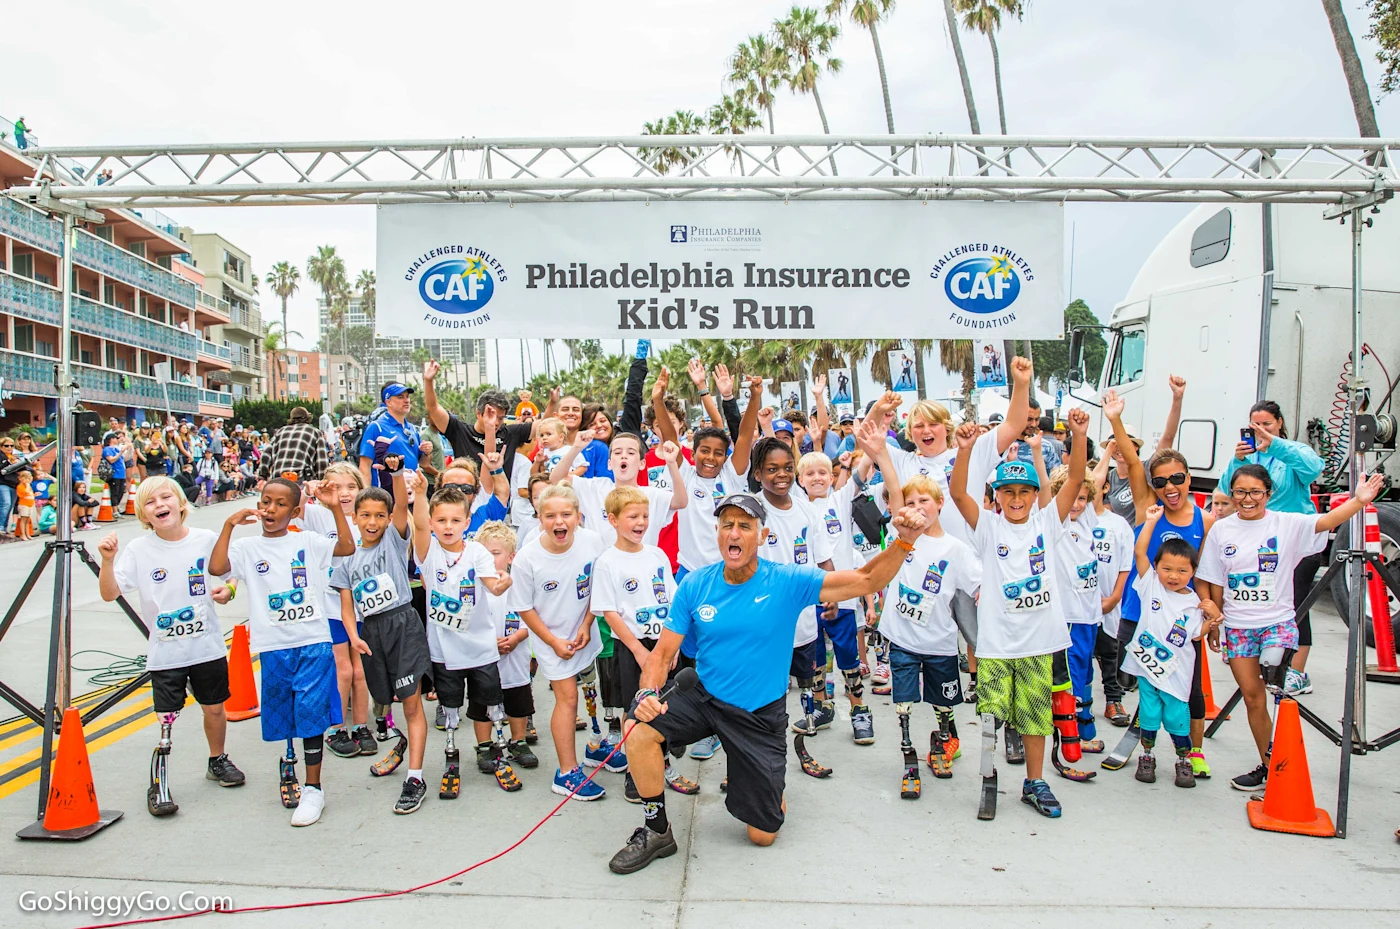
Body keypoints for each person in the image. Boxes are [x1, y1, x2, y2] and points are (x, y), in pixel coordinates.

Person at [607, 487, 929, 874]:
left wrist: (904, 541)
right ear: (718, 533)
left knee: (762, 834)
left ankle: (768, 786)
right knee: (638, 727)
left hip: (759, 713)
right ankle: (656, 829)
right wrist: (646, 692)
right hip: (705, 698)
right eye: (727, 525)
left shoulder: (787, 581)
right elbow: (660, 655)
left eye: (745, 525)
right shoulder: (696, 585)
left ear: (762, 536)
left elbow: (865, 579)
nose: (734, 533)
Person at [949, 356, 1092, 820]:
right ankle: (989, 777)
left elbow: (1073, 478)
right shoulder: (987, 528)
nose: (1015, 500)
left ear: (1034, 496)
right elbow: (957, 495)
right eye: (1007, 493)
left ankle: (1035, 783)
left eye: (1023, 493)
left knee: (1035, 718)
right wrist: (967, 450)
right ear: (998, 497)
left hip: (1038, 643)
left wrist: (1078, 434)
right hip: (995, 644)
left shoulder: (1048, 523)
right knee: (990, 716)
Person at [1197, 465, 1382, 792]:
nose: (1247, 499)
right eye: (1240, 492)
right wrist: (1214, 621)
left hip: (1276, 624)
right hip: (1238, 628)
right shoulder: (1222, 531)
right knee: (1253, 699)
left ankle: (1288, 762)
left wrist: (1359, 500)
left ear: (1268, 494)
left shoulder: (1286, 523)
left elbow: (1325, 522)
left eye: (1255, 492)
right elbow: (1209, 580)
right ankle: (1269, 766)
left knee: (1274, 682)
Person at [209, 478, 356, 827]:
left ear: (294, 511)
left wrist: (335, 506)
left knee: (310, 711)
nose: (270, 509)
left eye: (279, 504)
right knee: (283, 713)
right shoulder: (247, 548)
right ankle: (289, 760)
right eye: (265, 501)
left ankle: (314, 787)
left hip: (313, 640)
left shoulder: (306, 541)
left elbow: (347, 547)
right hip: (273, 646)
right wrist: (229, 525)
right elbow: (217, 568)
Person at [97, 477, 246, 817]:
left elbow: (231, 573)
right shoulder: (139, 549)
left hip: (206, 647)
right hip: (166, 652)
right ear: (144, 515)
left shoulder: (206, 540)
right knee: (167, 716)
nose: (159, 504)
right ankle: (160, 777)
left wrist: (230, 590)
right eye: (150, 502)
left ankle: (217, 759)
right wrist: (108, 560)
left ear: (181, 504)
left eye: (166, 497)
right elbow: (110, 592)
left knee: (214, 708)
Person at [330, 464, 434, 813]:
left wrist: (395, 473)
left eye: (379, 515)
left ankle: (415, 777)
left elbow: (402, 506)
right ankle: (400, 742)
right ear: (355, 517)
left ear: (388, 518)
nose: (372, 522)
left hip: (403, 624)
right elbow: (347, 606)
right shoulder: (345, 559)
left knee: (411, 703)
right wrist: (353, 637)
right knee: (384, 701)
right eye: (365, 515)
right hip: (372, 632)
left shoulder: (393, 537)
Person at [591, 485, 699, 800]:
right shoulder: (608, 561)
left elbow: (674, 601)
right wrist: (638, 650)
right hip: (632, 647)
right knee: (635, 707)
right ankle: (634, 771)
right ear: (612, 520)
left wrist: (673, 645)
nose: (640, 522)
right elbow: (609, 612)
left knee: (666, 705)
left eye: (645, 516)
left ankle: (663, 762)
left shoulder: (657, 555)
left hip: (663, 643)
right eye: (632, 516)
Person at [878, 472, 980, 796]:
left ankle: (941, 745)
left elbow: (980, 586)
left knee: (944, 705)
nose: (918, 507)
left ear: (940, 503)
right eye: (911, 502)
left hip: (941, 643)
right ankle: (909, 760)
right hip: (903, 640)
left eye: (925, 501)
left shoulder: (956, 549)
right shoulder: (900, 540)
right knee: (904, 706)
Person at [507, 484, 609, 800]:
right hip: (551, 638)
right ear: (539, 518)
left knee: (591, 688)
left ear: (578, 516)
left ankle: (595, 745)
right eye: (550, 515)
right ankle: (566, 773)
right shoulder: (527, 558)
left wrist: (588, 623)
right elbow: (523, 607)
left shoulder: (593, 541)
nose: (559, 521)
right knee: (567, 699)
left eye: (566, 514)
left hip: (585, 631)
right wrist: (551, 641)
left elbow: (599, 585)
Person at [1219, 400, 1326, 696]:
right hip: (1258, 545)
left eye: (1267, 424)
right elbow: (1228, 489)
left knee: (1295, 606)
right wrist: (1238, 460)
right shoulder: (1250, 457)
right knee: (1262, 601)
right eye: (1255, 425)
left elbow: (1315, 468)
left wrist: (1274, 445)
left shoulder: (1291, 452)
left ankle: (1297, 671)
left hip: (1296, 543)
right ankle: (1259, 657)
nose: (1261, 430)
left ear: (1279, 423)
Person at [1127, 505, 1219, 788]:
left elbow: (1195, 634)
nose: (1173, 575)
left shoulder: (1193, 602)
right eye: (1166, 568)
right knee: (1150, 714)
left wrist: (1212, 620)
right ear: (1157, 568)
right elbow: (1140, 552)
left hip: (1176, 673)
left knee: (1178, 717)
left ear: (1193, 572)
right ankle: (1147, 755)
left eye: (1182, 570)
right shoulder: (1150, 584)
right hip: (1147, 667)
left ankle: (1183, 759)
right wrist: (1151, 522)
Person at [303, 463, 375, 761]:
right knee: (341, 668)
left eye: (350, 487)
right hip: (331, 607)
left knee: (361, 671)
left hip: (363, 609)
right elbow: (289, 501)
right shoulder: (318, 514)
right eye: (335, 487)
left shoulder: (367, 518)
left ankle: (360, 726)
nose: (343, 493)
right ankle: (335, 728)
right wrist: (308, 490)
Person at [470, 522, 539, 773]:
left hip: (515, 657)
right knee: (482, 703)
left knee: (517, 701)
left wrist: (517, 638)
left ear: (511, 556)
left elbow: (529, 619)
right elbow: (468, 623)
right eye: (484, 555)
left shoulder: (519, 585)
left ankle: (518, 741)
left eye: (495, 554)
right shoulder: (475, 587)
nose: (490, 559)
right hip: (483, 658)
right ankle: (485, 745)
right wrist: (488, 642)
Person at [549, 431, 686, 549]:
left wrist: (672, 463)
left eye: (631, 452)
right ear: (609, 464)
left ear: (642, 464)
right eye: (617, 452)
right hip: (601, 570)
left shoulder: (652, 495)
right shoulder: (595, 488)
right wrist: (576, 448)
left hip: (640, 570)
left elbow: (681, 502)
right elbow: (556, 479)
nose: (623, 456)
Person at [424, 359, 552, 473]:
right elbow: (433, 408)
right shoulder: (460, 431)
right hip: (467, 496)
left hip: (499, 497)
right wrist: (428, 381)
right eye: (491, 416)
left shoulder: (510, 433)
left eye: (501, 418)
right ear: (478, 413)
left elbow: (544, 424)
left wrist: (553, 403)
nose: (495, 422)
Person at [357, 385, 423, 495]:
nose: (406, 400)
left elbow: (423, 462)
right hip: (386, 495)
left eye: (407, 397)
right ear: (388, 402)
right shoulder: (376, 426)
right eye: (400, 397)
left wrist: (427, 452)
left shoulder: (412, 428)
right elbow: (364, 466)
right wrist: (365, 497)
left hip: (411, 492)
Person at [258, 407, 329, 485]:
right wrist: (322, 481)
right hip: (301, 476)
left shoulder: (281, 431)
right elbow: (321, 461)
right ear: (307, 418)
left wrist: (263, 476)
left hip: (279, 476)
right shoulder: (315, 432)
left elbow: (265, 454)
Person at [101, 434, 129, 516]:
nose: (117, 440)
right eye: (116, 438)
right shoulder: (107, 449)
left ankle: (117, 506)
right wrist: (121, 452)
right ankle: (114, 510)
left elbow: (124, 458)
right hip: (114, 473)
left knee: (121, 491)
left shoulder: (115, 449)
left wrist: (127, 449)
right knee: (115, 492)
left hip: (121, 473)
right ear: (111, 439)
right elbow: (111, 460)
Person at [13, 471, 35, 540]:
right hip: (23, 504)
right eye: (26, 479)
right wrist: (27, 486)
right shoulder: (20, 486)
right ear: (21, 478)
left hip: (29, 504)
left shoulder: (28, 487)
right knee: (23, 519)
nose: (27, 481)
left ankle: (28, 534)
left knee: (27, 520)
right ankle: (22, 534)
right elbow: (25, 492)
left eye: (28, 479)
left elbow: (30, 494)